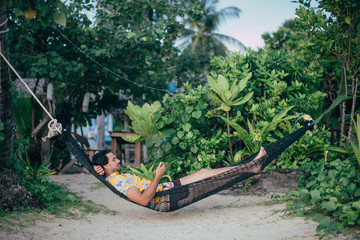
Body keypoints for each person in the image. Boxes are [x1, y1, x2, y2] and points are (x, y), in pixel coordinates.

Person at [92, 147, 267, 208]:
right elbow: (144, 200)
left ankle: (251, 166)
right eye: (114, 159)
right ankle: (252, 166)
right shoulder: (119, 181)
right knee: (208, 180)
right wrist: (158, 176)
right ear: (106, 166)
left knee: (205, 172)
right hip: (165, 197)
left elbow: (95, 167)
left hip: (166, 189)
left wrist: (94, 167)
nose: (118, 160)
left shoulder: (115, 175)